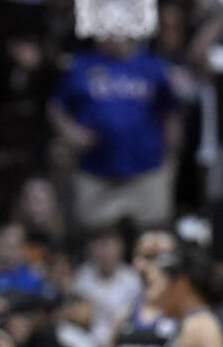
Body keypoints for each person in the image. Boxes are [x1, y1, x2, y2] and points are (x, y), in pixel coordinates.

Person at [49, 37, 181, 229]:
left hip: (146, 172)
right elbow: (56, 107)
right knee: (95, 237)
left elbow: (171, 113)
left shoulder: (152, 65)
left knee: (152, 240)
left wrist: (172, 157)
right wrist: (71, 132)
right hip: (95, 173)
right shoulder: (83, 65)